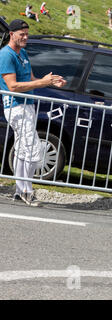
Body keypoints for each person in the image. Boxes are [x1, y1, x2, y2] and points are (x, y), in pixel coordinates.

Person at [0, 19, 66, 206]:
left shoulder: (24, 54)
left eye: (27, 34)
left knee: (23, 148)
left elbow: (31, 79)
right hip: (15, 106)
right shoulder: (6, 55)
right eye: (22, 34)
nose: (26, 37)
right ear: (12, 34)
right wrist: (42, 83)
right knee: (33, 148)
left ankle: (20, 190)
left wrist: (50, 80)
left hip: (27, 105)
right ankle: (27, 191)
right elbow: (13, 86)